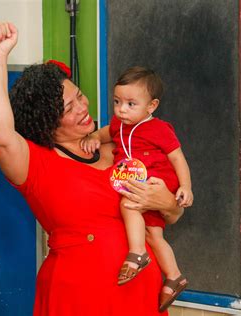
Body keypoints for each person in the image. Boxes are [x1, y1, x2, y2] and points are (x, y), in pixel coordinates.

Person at [0, 22, 184, 316]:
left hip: (140, 299)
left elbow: (171, 213)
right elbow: (0, 135)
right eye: (69, 107)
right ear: (46, 121)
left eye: (79, 95)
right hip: (77, 299)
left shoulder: (121, 145)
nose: (83, 106)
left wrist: (167, 203)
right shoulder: (36, 163)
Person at [81, 66, 192, 311]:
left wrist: (185, 186)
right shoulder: (119, 125)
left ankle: (137, 253)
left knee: (127, 203)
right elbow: (105, 133)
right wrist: (95, 138)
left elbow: (178, 159)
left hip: (157, 183)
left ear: (151, 106)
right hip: (137, 179)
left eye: (131, 104)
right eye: (117, 101)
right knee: (154, 234)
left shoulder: (160, 129)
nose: (121, 109)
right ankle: (174, 277)